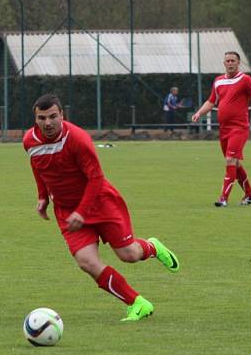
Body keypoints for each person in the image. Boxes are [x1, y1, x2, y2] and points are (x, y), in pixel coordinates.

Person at [24, 93, 180, 321]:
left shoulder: (77, 138)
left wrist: (82, 211)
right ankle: (137, 302)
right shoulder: (29, 141)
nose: (48, 123)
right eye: (42, 118)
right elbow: (38, 166)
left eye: (52, 117)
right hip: (67, 211)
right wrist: (42, 196)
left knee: (128, 254)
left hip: (99, 202)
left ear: (62, 115)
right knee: (87, 262)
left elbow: (96, 178)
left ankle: (152, 247)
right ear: (35, 119)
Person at [191, 51, 251, 207]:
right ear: (224, 63)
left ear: (238, 63)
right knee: (235, 164)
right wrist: (199, 113)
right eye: (227, 61)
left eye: (233, 60)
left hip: (239, 128)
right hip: (224, 130)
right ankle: (250, 195)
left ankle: (223, 198)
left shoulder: (245, 80)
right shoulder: (218, 81)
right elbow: (211, 102)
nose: (230, 63)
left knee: (230, 160)